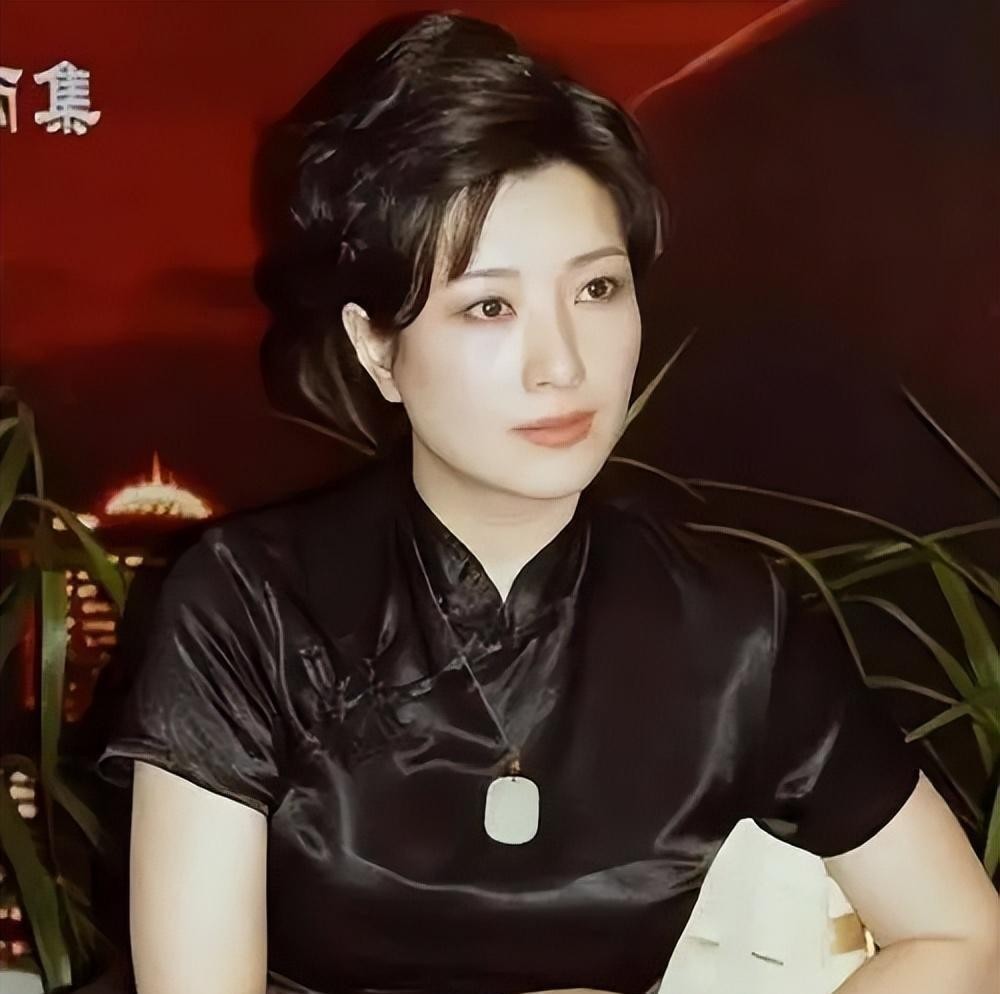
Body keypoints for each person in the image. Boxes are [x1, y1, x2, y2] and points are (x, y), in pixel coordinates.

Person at [97, 11, 999, 994]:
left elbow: (960, 935)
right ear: (375, 347)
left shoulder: (736, 630)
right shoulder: (253, 605)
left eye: (597, 290)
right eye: (490, 306)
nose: (561, 363)